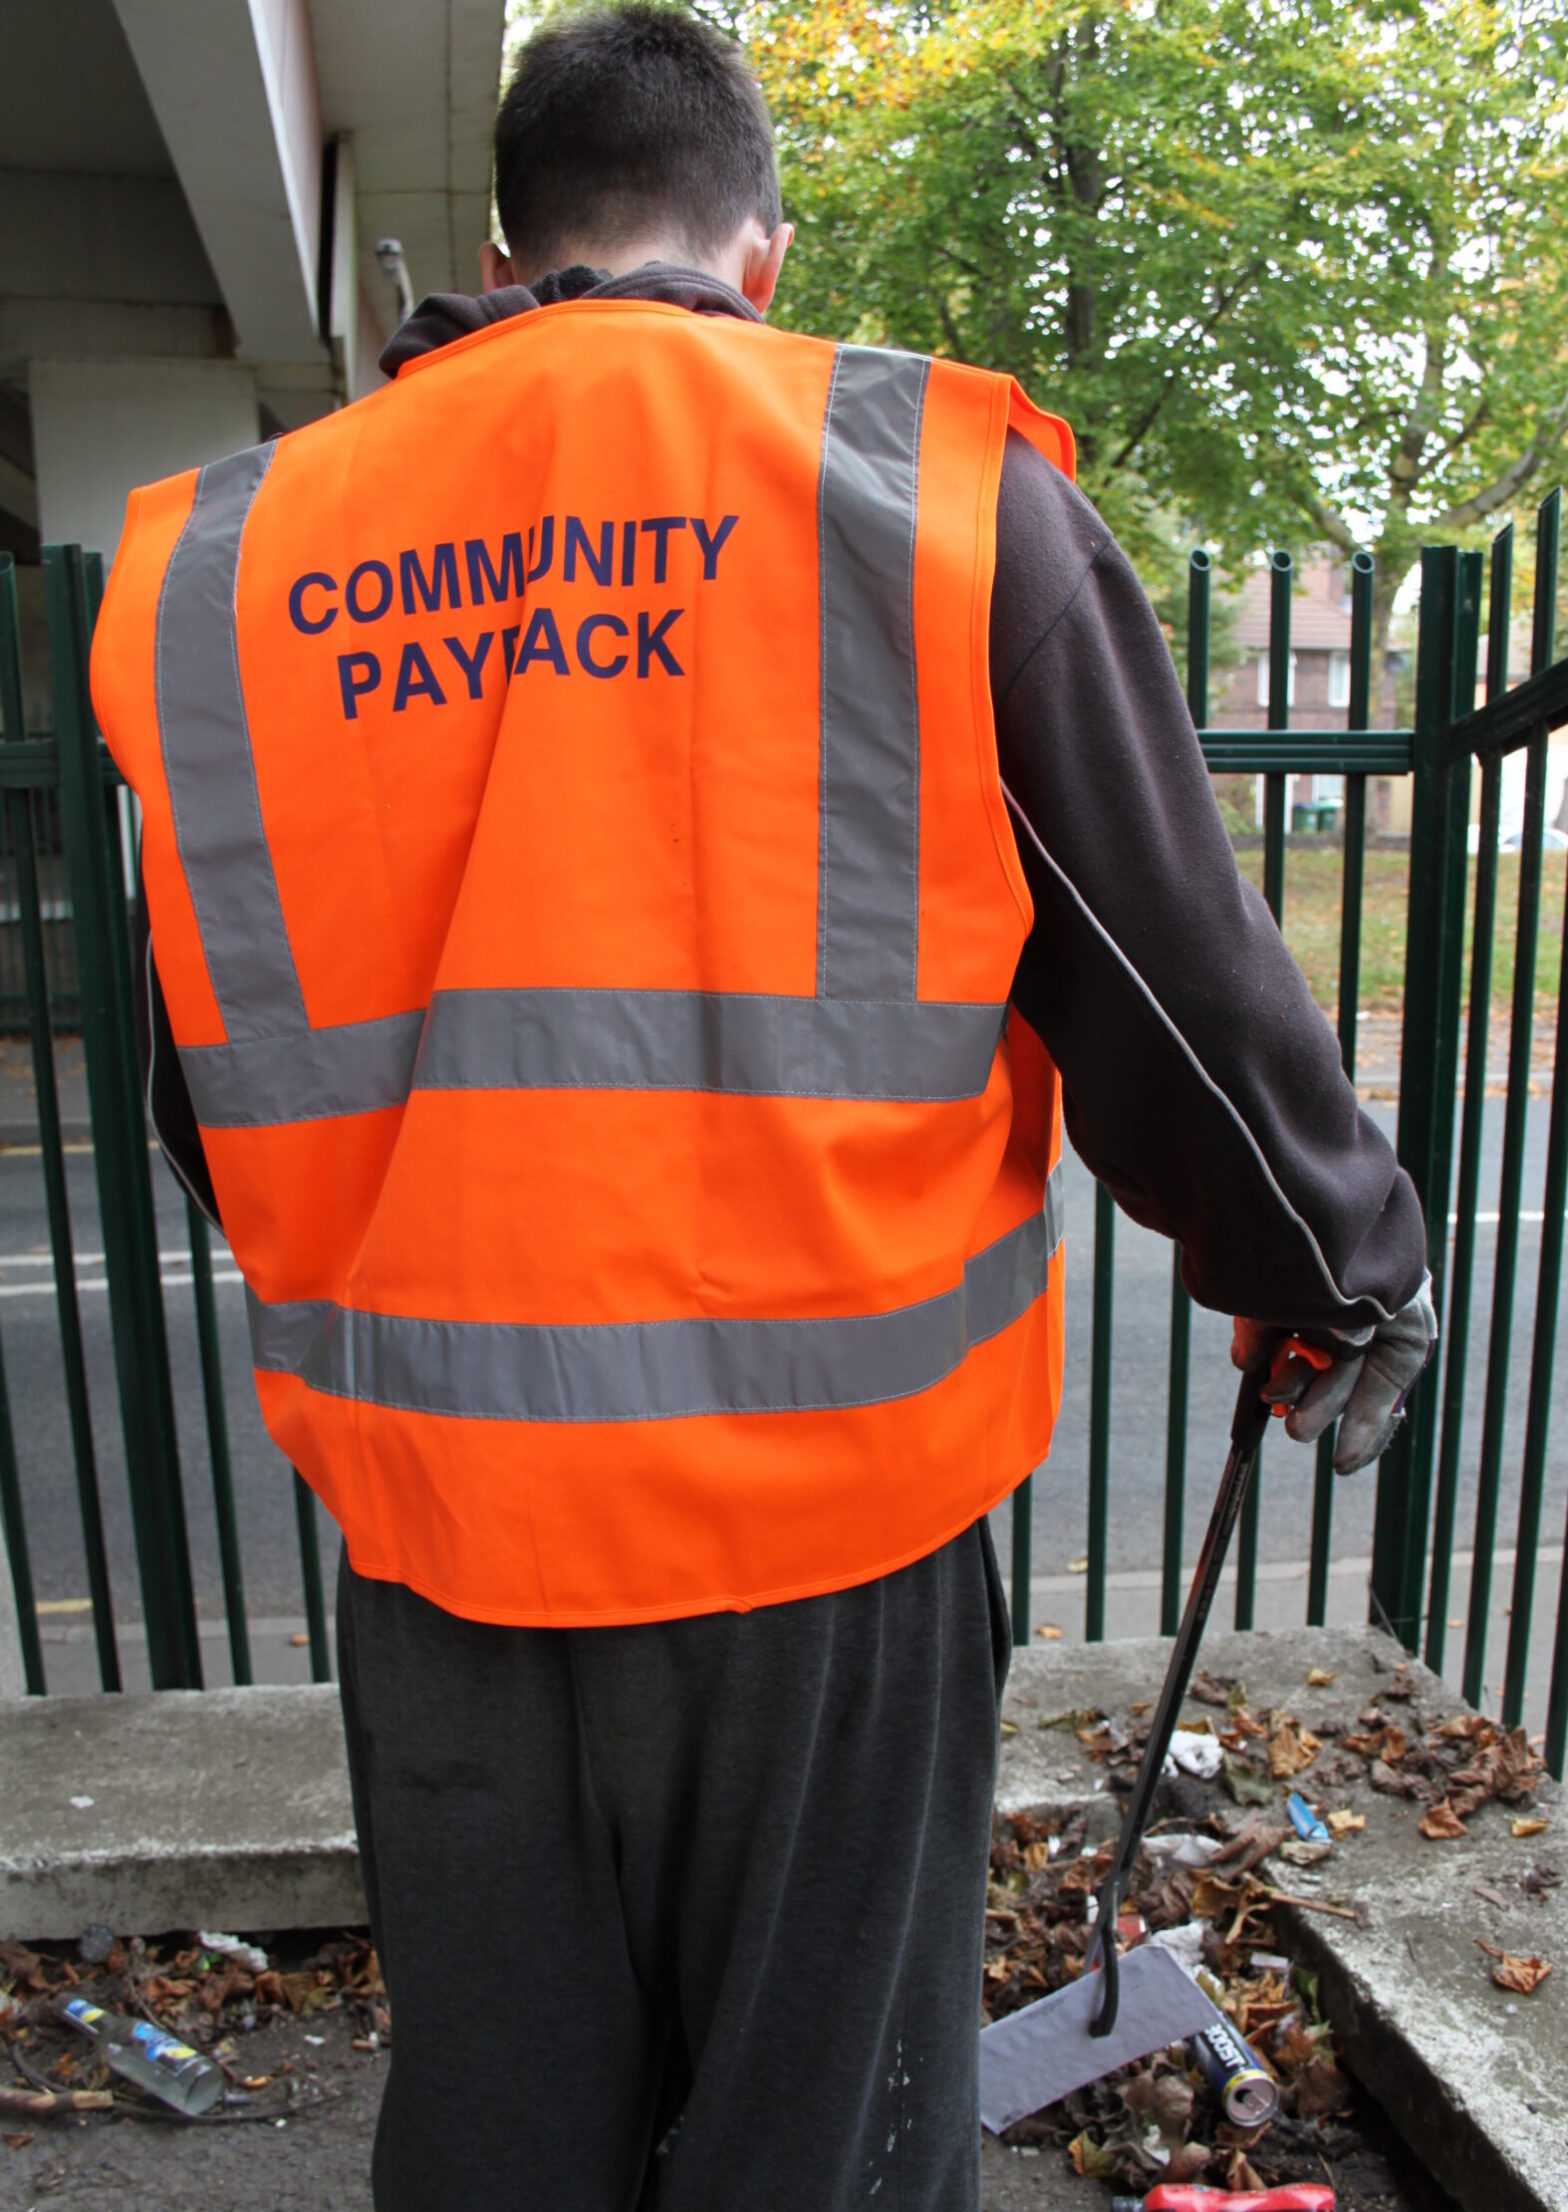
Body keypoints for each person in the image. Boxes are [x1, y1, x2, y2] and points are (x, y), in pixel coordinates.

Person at [94, 8, 1433, 2207]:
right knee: (819, 2142)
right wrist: (1330, 1264)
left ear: (515, 254)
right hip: (833, 1540)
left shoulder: (242, 562)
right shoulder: (929, 494)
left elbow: (201, 1076)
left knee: (506, 2135)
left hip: (445, 1545)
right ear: (765, 253)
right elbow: (1173, 980)